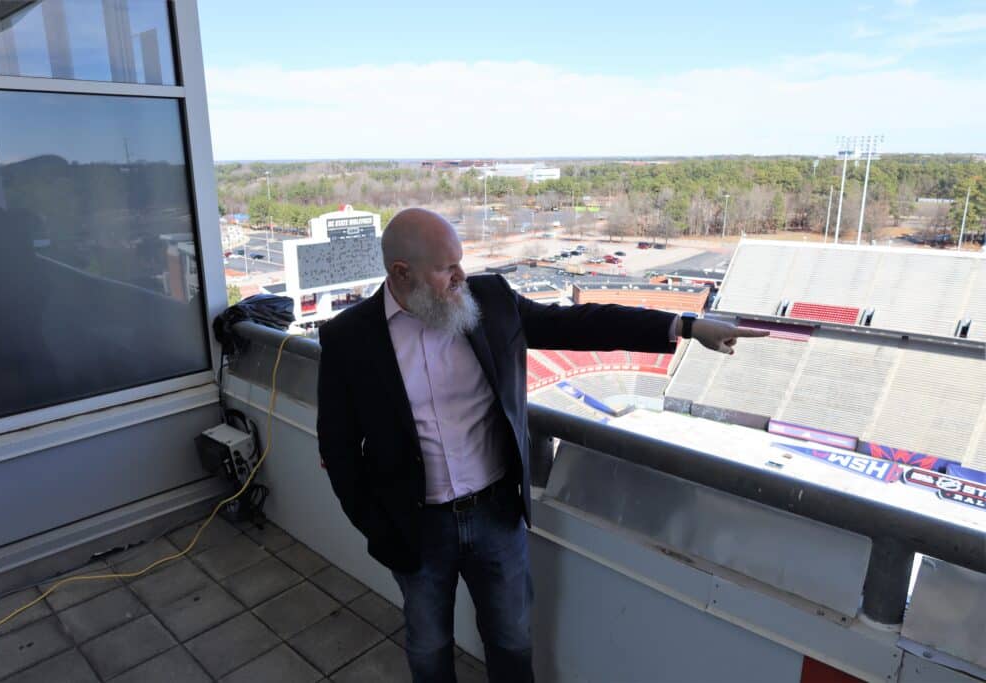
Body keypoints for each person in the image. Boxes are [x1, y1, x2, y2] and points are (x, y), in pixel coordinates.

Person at [316, 208, 767, 683]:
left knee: (512, 642)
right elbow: (339, 450)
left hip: (496, 517)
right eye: (446, 268)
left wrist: (686, 327)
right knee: (428, 649)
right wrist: (378, 530)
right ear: (401, 273)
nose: (461, 276)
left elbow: (581, 324)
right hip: (415, 528)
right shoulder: (349, 338)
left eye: (461, 263)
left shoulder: (490, 299)